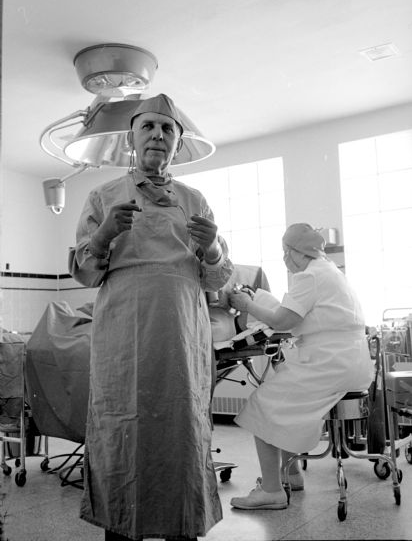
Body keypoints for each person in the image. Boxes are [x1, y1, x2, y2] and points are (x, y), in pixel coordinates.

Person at [68, 94, 233, 540]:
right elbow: (85, 273)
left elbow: (216, 278)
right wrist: (103, 234)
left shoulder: (195, 200)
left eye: (167, 129)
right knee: (123, 431)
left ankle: (184, 527)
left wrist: (213, 247)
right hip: (124, 337)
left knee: (181, 433)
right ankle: (122, 527)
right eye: (148, 128)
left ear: (178, 144)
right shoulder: (103, 197)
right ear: (131, 139)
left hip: (182, 335)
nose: (158, 136)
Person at [227, 223, 374, 510]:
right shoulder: (330, 272)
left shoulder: (310, 276)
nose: (284, 258)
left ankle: (271, 491)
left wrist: (247, 303)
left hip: (329, 364)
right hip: (350, 362)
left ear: (295, 252)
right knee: (284, 405)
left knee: (263, 406)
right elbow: (305, 316)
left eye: (285, 252)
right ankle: (290, 474)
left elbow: (284, 321)